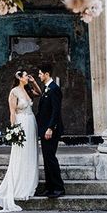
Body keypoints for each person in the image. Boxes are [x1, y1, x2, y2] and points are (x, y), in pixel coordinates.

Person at [0, 69, 41, 212]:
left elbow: (39, 93)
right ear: (20, 78)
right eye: (26, 76)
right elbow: (12, 112)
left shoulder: (28, 90)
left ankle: (29, 183)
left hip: (31, 123)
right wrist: (14, 130)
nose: (27, 77)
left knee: (30, 153)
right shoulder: (14, 92)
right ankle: (19, 184)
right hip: (21, 122)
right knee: (21, 153)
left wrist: (34, 82)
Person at [36, 65, 65, 198]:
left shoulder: (54, 89)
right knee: (47, 159)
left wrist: (50, 128)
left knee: (51, 158)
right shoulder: (47, 88)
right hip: (44, 130)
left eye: (41, 74)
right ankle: (49, 187)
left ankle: (58, 188)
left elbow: (56, 110)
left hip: (50, 130)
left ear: (47, 74)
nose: (39, 76)